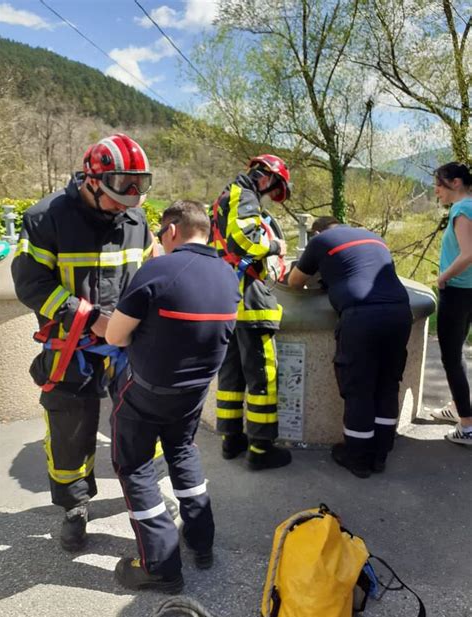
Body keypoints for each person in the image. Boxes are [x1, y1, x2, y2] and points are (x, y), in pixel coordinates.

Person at [12, 133, 154, 551]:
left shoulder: (135, 219)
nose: (128, 203)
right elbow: (31, 283)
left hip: (127, 347)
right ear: (92, 181)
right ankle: (75, 508)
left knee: (141, 423)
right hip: (71, 348)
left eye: (136, 192)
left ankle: (144, 502)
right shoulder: (46, 219)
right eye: (118, 194)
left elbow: (146, 275)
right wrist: (87, 318)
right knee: (71, 430)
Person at [106, 200, 240, 592]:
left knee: (134, 467)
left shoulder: (159, 269)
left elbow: (115, 335)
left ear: (169, 232)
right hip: (194, 393)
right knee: (182, 453)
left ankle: (160, 565)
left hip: (147, 391)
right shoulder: (227, 275)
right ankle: (201, 541)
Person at [288, 216, 413, 478]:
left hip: (362, 315)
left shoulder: (321, 240)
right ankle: (380, 455)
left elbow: (294, 282)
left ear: (317, 231)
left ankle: (357, 458)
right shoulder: (373, 236)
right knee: (387, 384)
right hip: (400, 311)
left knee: (359, 388)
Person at [210, 154, 292, 470]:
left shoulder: (223, 197)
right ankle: (261, 449)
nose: (270, 197)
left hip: (226, 297)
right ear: (266, 178)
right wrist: (276, 248)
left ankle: (231, 440)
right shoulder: (244, 195)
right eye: (273, 190)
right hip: (250, 295)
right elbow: (244, 240)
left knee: (231, 372)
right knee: (263, 375)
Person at [430, 163, 472, 445]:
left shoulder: (462, 209)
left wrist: (442, 278)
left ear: (456, 183)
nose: (437, 191)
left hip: (458, 292)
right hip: (469, 291)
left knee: (451, 357)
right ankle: (459, 407)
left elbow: (468, 254)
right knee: (459, 353)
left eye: (440, 186)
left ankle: (467, 426)